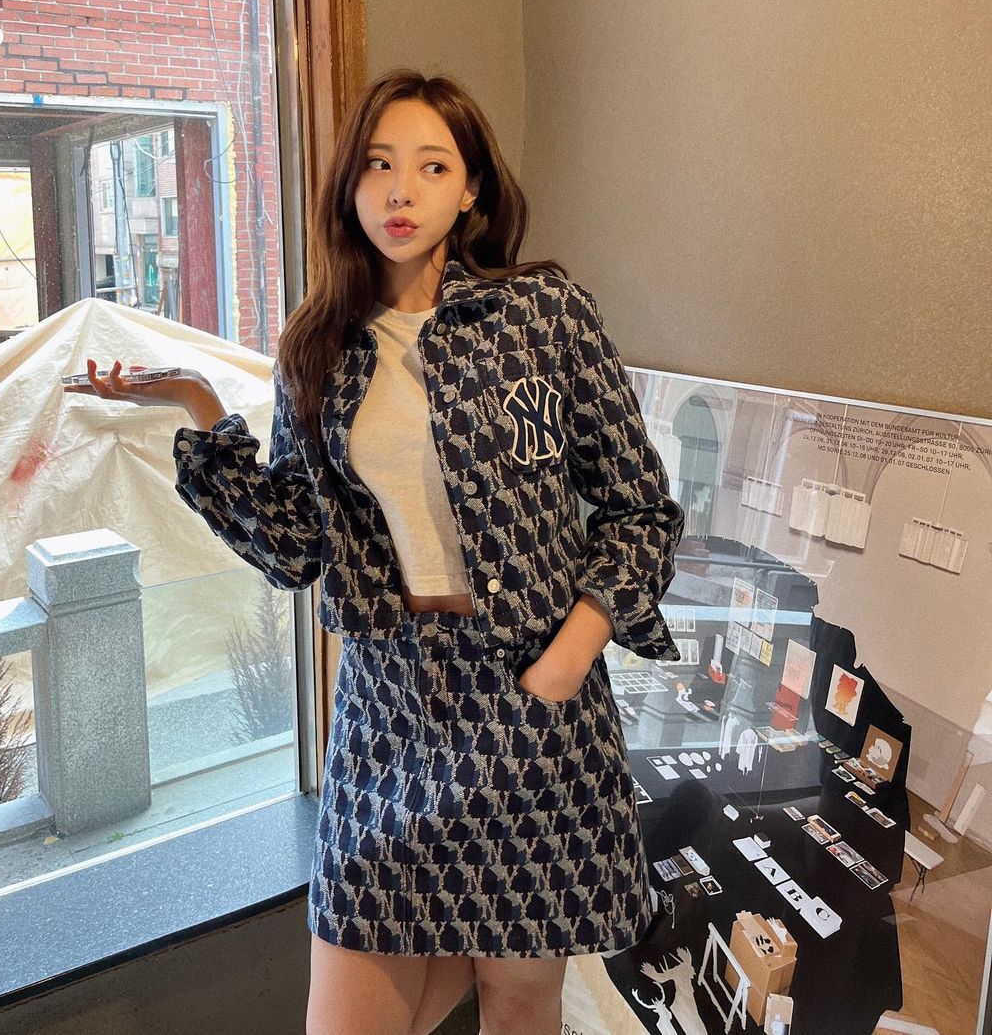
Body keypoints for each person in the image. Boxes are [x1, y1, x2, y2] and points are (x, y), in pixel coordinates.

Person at [63, 68, 685, 1035]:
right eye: (379, 166)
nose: (401, 191)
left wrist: (564, 665)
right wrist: (199, 406)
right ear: (349, 185)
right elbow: (294, 545)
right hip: (388, 706)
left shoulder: (544, 313)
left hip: (532, 693)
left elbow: (641, 510)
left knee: (521, 1000)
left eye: (432, 167)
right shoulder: (319, 344)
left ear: (471, 189)